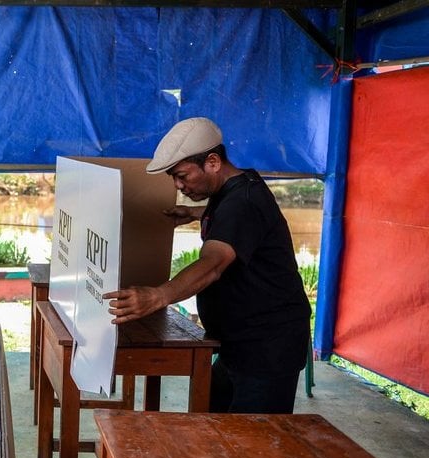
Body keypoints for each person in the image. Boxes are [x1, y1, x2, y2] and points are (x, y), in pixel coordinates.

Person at [102, 117, 311, 414]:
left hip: (267, 348)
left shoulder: (244, 203)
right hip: (237, 344)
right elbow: (227, 214)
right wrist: (194, 212)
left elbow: (213, 264)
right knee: (210, 423)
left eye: (183, 176)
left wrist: (158, 296)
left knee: (254, 446)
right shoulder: (231, 191)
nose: (178, 185)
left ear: (212, 162)